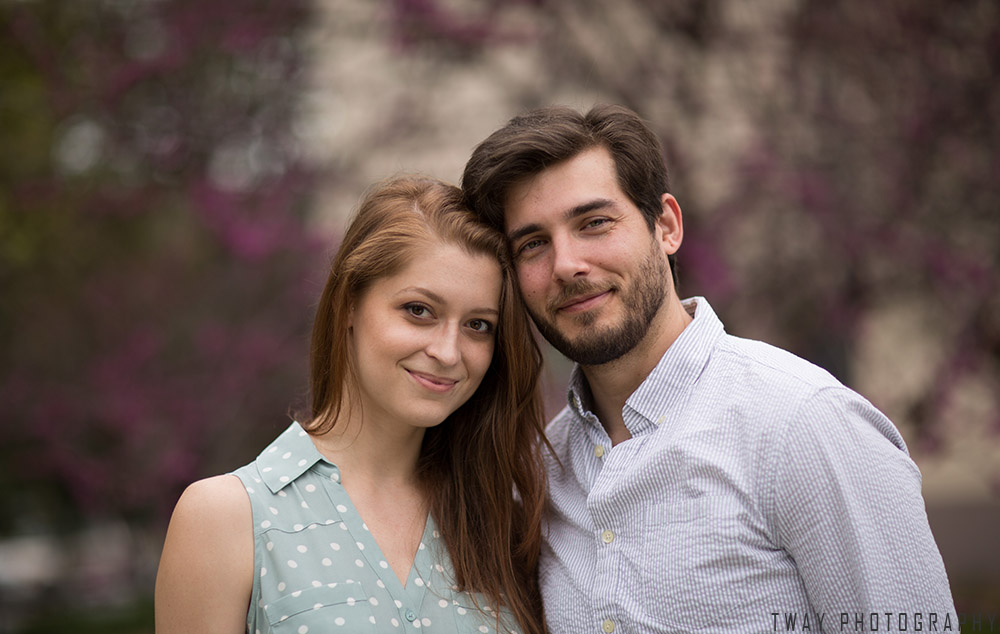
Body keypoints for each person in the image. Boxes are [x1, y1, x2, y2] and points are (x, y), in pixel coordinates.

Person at [461, 104, 957, 633]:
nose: (566, 264)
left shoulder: (803, 424)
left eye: (595, 223)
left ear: (667, 226)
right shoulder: (542, 471)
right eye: (534, 244)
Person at [155, 176, 548, 634]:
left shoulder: (503, 523)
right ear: (348, 307)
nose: (448, 352)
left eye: (478, 325)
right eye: (419, 310)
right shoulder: (225, 518)